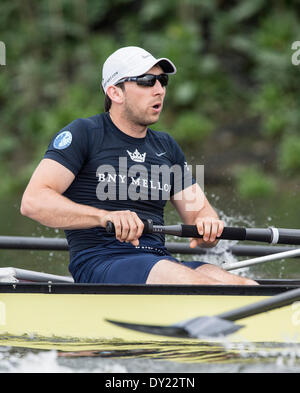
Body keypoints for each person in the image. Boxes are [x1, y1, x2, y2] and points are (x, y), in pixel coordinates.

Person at [20, 46, 257, 286]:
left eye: (162, 81)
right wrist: (104, 217)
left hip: (159, 260)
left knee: (247, 287)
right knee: (202, 286)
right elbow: (33, 201)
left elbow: (197, 211)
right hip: (101, 263)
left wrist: (208, 226)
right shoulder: (83, 134)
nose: (159, 90)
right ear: (115, 93)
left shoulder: (166, 145)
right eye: (146, 81)